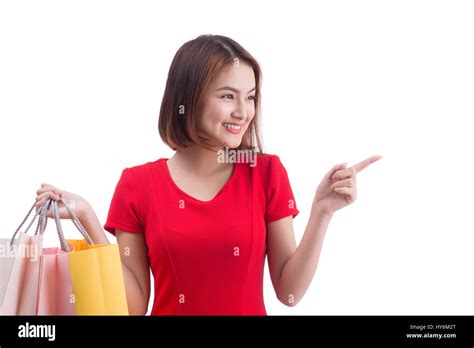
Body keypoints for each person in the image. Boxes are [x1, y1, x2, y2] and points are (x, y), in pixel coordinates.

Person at [35, 34, 382, 315]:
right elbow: (134, 306)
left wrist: (322, 212)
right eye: (228, 96)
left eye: (250, 97)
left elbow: (289, 293)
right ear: (189, 98)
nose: (242, 111)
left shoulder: (265, 173)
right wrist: (88, 219)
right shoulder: (137, 185)